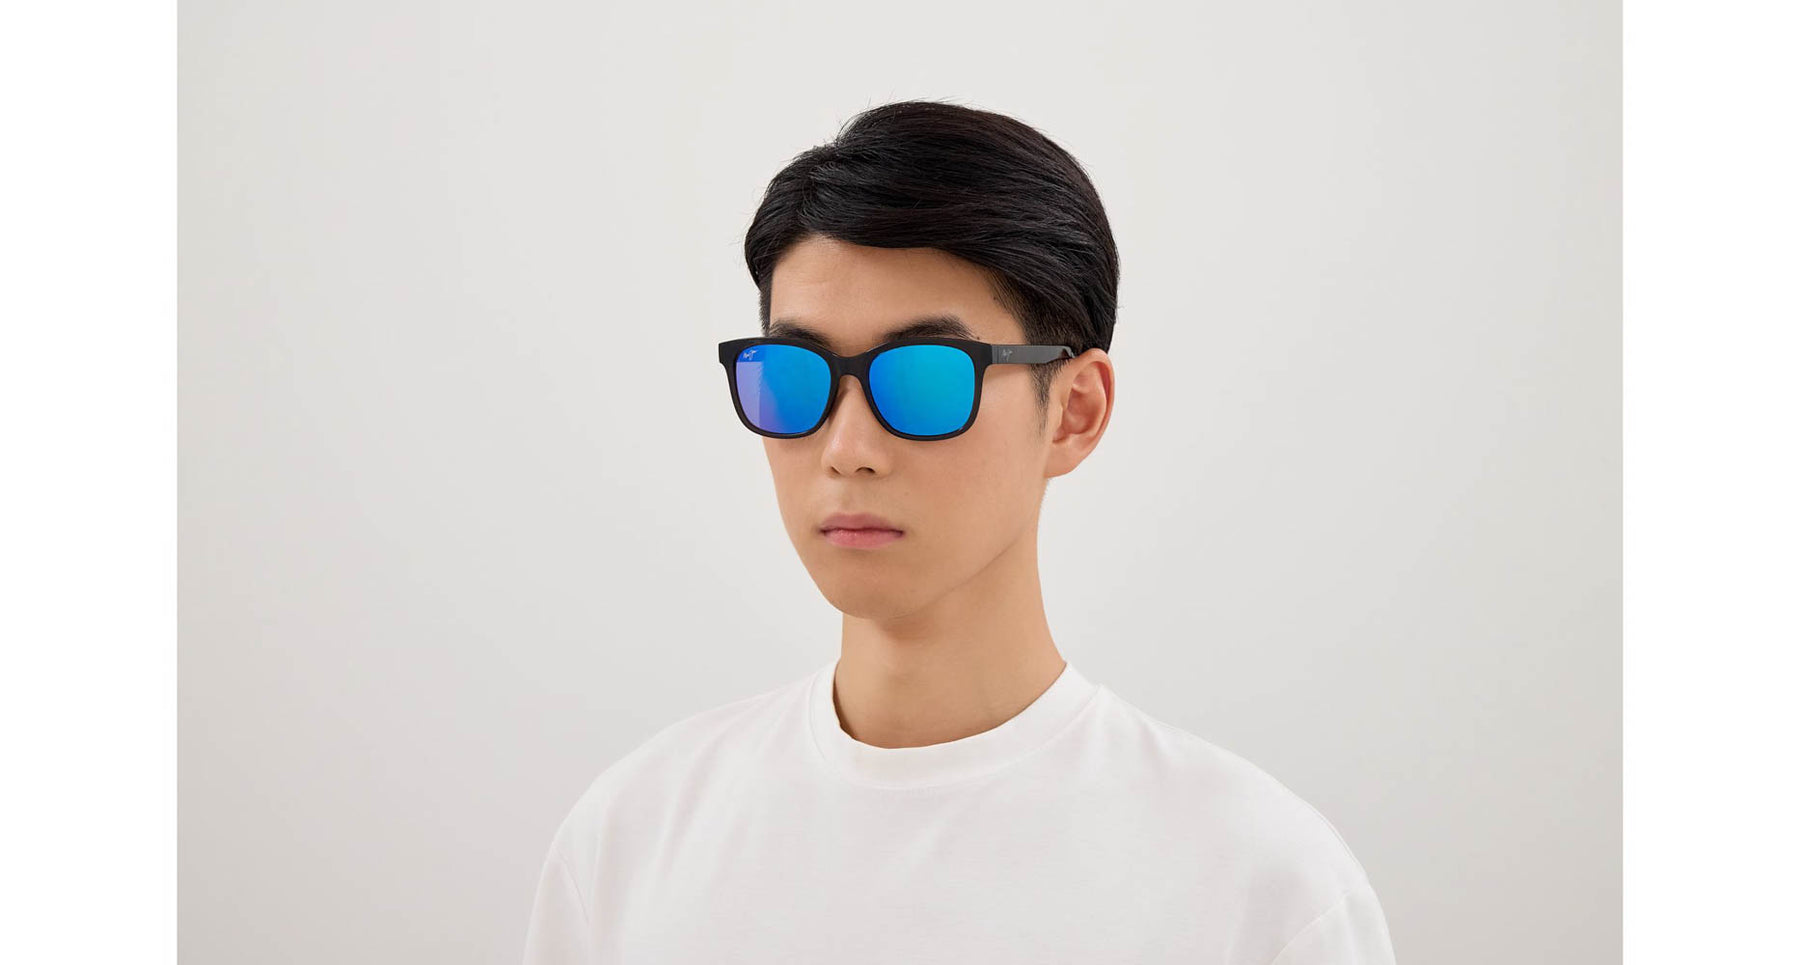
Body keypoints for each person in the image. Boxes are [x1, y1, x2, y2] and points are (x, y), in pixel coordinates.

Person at [522, 99, 1398, 964]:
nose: (847, 449)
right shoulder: (632, 841)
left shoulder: (1259, 891)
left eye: (925, 377)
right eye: (796, 374)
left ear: (1075, 412)